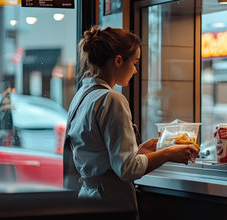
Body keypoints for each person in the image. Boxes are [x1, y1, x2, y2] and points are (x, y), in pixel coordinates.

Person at [66, 25, 199, 212]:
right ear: (119, 60)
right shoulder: (111, 99)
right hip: (110, 202)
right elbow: (127, 169)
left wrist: (140, 150)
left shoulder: (82, 96)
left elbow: (101, 153)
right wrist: (168, 153)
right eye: (134, 62)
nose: (135, 70)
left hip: (88, 198)